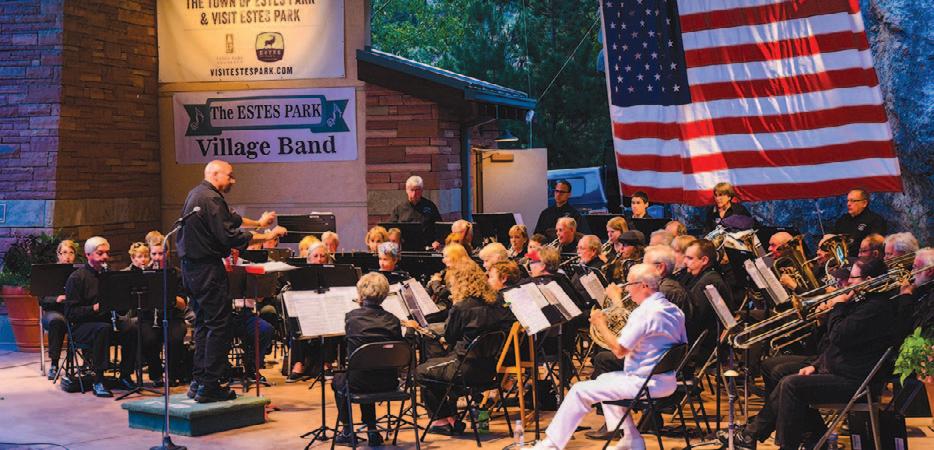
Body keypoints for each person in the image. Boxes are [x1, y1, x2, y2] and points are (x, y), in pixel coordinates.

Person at [729, 258, 895, 450]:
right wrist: (815, 365)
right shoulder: (862, 302)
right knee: (782, 375)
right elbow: (833, 345)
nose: (849, 282)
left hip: (856, 381)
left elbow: (839, 337)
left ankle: (779, 442)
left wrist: (838, 306)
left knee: (790, 385)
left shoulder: (875, 308)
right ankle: (810, 437)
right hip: (839, 369)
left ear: (869, 280)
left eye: (853, 278)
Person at [533, 264, 687, 450]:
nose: (627, 289)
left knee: (579, 390)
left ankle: (551, 444)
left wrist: (600, 324)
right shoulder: (673, 310)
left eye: (629, 284)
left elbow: (619, 350)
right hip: (667, 380)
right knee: (604, 379)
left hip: (644, 383)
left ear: (644, 285)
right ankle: (631, 438)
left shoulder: (644, 313)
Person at [177, 160, 286, 403]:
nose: (233, 180)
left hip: (192, 270)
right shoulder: (211, 199)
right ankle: (210, 386)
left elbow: (231, 219)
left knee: (204, 324)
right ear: (215, 174)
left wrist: (259, 224)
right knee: (219, 326)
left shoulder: (198, 194)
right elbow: (230, 237)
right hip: (207, 269)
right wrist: (268, 235)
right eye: (230, 175)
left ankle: (198, 382)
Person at [416, 263, 504, 434]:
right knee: (437, 369)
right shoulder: (495, 303)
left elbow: (450, 337)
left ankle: (442, 420)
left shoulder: (462, 307)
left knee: (421, 372)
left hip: (465, 369)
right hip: (489, 370)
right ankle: (452, 418)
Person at [332, 272, 404, 446]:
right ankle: (372, 430)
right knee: (369, 368)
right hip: (389, 383)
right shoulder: (393, 320)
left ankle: (347, 430)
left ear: (360, 294)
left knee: (340, 379)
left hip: (360, 383)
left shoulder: (352, 317)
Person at [63, 236, 117, 397]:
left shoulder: (110, 276)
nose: (105, 257)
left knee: (132, 327)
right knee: (103, 329)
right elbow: (70, 313)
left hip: (105, 322)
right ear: (88, 255)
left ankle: (126, 375)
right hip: (81, 327)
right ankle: (98, 380)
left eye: (107, 253)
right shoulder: (77, 278)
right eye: (100, 253)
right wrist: (94, 308)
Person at [682, 239, 733, 358]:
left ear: (704, 260)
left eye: (690, 258)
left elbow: (694, 320)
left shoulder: (707, 283)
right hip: (706, 341)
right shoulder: (708, 277)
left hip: (704, 346)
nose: (685, 262)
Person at [40, 240, 77, 379]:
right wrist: (57, 298)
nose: (68, 256)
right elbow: (42, 300)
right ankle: (54, 364)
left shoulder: (78, 273)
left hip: (73, 311)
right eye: (64, 252)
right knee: (57, 321)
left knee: (89, 317)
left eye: (71, 253)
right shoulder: (50, 274)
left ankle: (89, 362)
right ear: (58, 255)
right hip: (53, 311)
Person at [833, 189, 887, 256]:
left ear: (864, 203)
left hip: (863, 258)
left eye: (853, 201)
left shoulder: (875, 220)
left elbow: (876, 244)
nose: (848, 204)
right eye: (848, 201)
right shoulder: (842, 220)